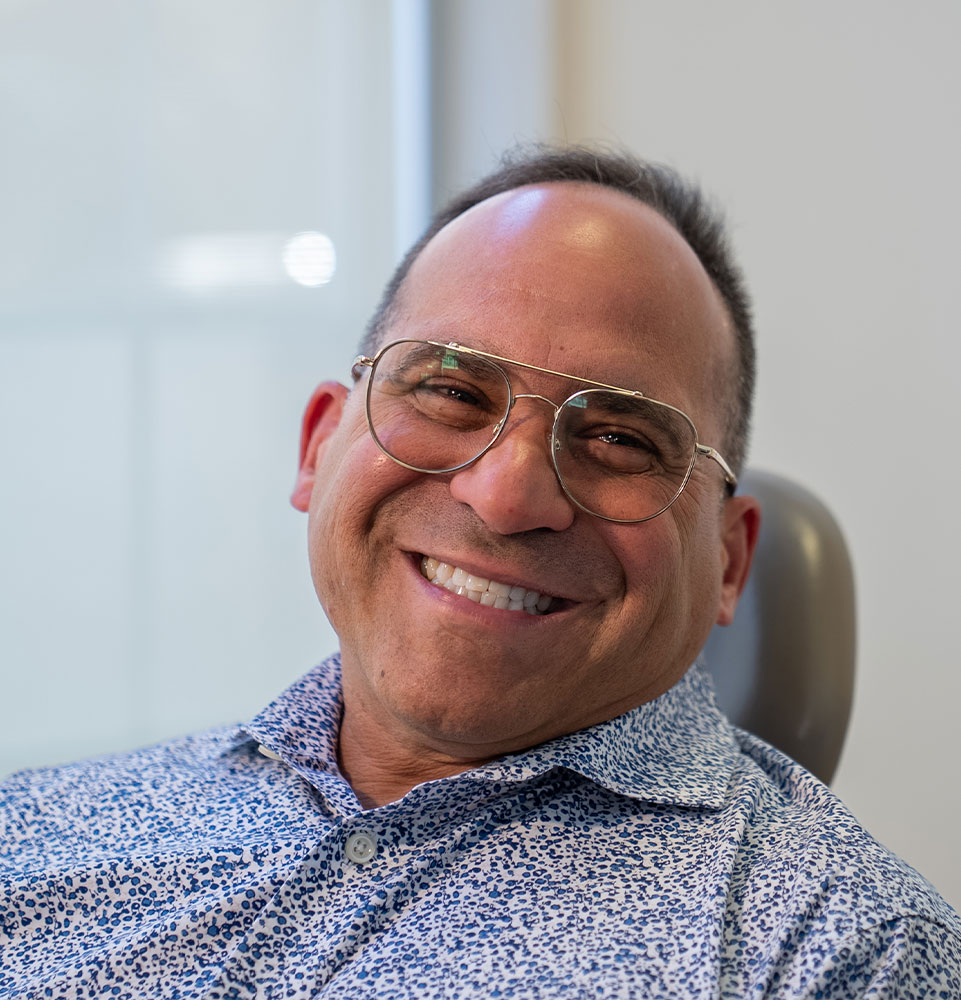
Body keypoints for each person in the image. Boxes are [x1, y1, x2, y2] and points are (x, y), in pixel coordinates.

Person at [1, 146, 959, 998]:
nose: (505, 497)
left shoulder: (840, 956)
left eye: (620, 438)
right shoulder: (30, 833)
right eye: (452, 391)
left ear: (728, 559)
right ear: (317, 445)